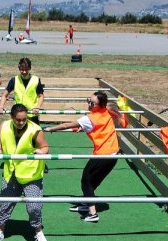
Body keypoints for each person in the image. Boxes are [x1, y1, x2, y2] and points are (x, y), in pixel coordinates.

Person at [44, 91, 119, 223]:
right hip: (114, 155)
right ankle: (86, 203)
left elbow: (66, 125)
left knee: (86, 181)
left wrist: (50, 129)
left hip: (102, 155)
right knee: (92, 181)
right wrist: (81, 127)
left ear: (100, 105)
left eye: (92, 103)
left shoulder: (89, 119)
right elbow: (102, 120)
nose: (89, 104)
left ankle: (93, 213)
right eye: (88, 101)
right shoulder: (106, 111)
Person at [0, 104, 50, 241]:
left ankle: (38, 231)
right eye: (18, 120)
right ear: (12, 117)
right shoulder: (3, 127)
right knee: (4, 203)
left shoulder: (35, 130)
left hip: (31, 173)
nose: (21, 122)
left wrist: (42, 152)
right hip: (11, 172)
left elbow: (45, 147)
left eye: (24, 119)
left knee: (34, 206)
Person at [0, 57, 45, 124]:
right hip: (18, 115)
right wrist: (1, 106)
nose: (24, 72)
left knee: (36, 133)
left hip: (32, 114)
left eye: (26, 69)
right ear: (19, 68)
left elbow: (41, 96)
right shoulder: (14, 80)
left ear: (30, 68)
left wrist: (38, 106)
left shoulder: (36, 80)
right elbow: (4, 95)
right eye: (22, 69)